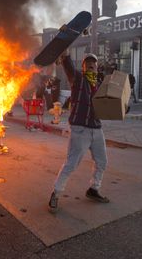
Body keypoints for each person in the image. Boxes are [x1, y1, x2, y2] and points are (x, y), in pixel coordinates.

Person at [48, 50, 109, 214]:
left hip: (96, 129)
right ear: (83, 67)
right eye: (88, 63)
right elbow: (68, 66)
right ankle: (56, 193)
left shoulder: (99, 85)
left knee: (102, 162)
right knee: (71, 164)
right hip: (80, 129)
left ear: (97, 68)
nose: (91, 65)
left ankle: (94, 189)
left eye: (94, 64)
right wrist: (65, 53)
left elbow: (108, 105)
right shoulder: (78, 79)